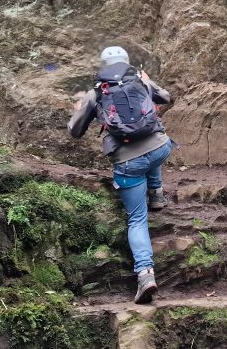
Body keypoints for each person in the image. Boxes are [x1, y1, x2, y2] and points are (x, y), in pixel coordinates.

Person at [68, 46, 173, 304]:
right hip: (162, 147)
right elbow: (166, 97)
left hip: (128, 163)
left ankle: (145, 275)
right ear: (127, 62)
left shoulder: (96, 93)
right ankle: (157, 192)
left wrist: (80, 107)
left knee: (137, 219)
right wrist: (148, 82)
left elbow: (74, 130)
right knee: (150, 145)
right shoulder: (140, 80)